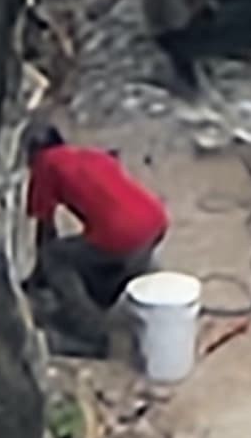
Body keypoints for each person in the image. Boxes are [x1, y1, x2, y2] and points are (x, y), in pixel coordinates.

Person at [26, 127, 169, 358]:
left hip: (122, 232)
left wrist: (38, 281)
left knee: (55, 256)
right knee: (105, 256)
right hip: (155, 219)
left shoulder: (45, 164)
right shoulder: (92, 156)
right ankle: (104, 303)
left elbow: (45, 230)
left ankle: (90, 336)